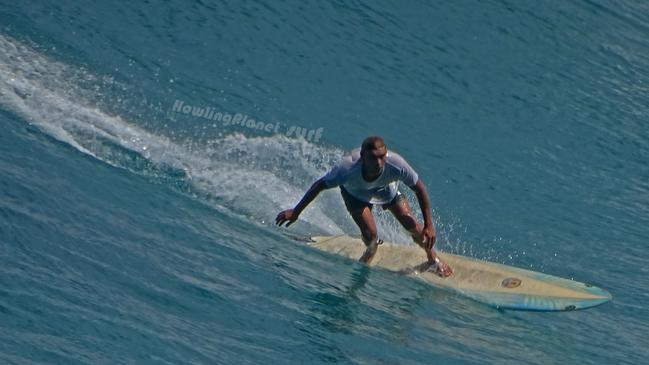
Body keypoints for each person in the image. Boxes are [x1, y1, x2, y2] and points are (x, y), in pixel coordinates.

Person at [275, 136, 452, 277]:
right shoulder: (346, 169)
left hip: (386, 192)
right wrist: (296, 212)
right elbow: (318, 186)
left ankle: (432, 259)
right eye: (374, 158)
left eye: (382, 156)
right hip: (356, 195)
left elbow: (420, 189)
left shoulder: (396, 164)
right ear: (363, 156)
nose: (379, 162)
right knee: (371, 236)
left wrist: (429, 225)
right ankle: (369, 253)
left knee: (413, 226)